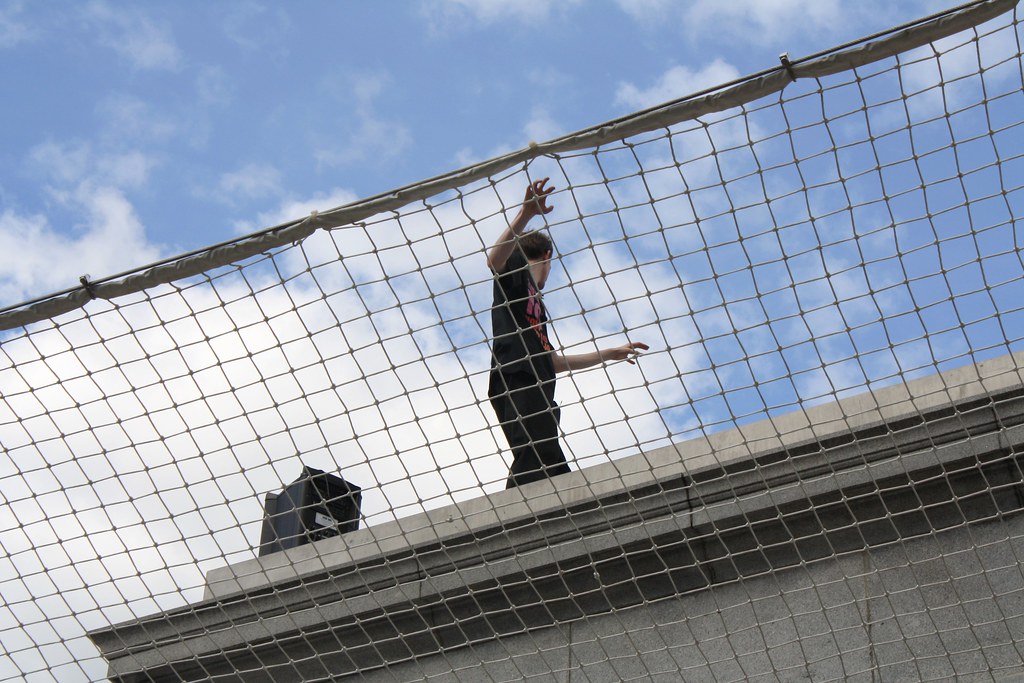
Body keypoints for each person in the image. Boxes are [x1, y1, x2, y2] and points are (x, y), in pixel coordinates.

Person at [487, 177, 649, 489]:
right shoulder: (518, 272)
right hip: (516, 376)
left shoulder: (537, 306)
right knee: (537, 453)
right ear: (547, 256)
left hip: (537, 379)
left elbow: (552, 361)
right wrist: (525, 215)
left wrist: (609, 354)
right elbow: (495, 261)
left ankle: (558, 502)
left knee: (546, 453)